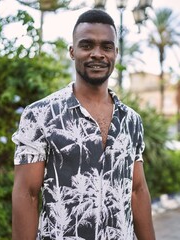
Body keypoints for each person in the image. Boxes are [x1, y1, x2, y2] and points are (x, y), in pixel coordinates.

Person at [12, 9, 156, 240]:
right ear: (72, 51)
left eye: (106, 47)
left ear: (116, 53)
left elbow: (137, 191)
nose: (97, 54)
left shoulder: (132, 120)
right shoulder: (40, 115)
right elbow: (26, 194)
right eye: (87, 45)